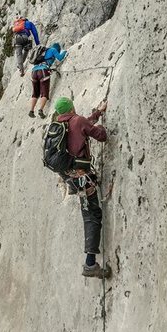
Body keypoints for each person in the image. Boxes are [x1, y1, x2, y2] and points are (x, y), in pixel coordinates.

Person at [54, 96, 111, 279]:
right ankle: (90, 264)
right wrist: (101, 128)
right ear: (71, 107)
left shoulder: (60, 125)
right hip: (82, 177)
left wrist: (98, 113)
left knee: (88, 212)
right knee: (92, 215)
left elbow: (84, 125)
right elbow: (100, 135)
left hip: (70, 177)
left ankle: (90, 262)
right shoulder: (77, 121)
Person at [29, 43, 67, 119]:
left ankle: (31, 111)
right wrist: (65, 52)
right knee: (44, 93)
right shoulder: (53, 50)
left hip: (33, 72)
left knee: (35, 93)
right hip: (43, 71)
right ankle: (40, 110)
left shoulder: (43, 52)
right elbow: (60, 58)